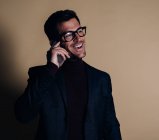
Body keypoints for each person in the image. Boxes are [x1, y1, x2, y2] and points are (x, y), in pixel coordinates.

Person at [14, 9, 122, 140]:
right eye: (69, 35)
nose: (78, 38)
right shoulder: (42, 76)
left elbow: (111, 126)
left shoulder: (101, 79)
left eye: (79, 31)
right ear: (55, 42)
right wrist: (51, 68)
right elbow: (23, 115)